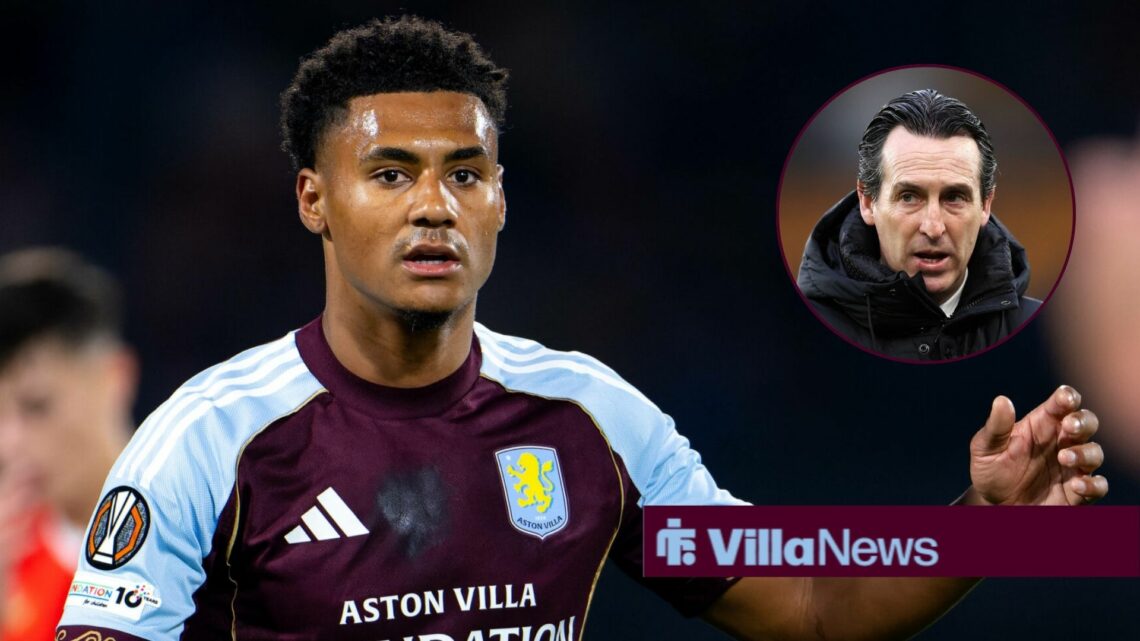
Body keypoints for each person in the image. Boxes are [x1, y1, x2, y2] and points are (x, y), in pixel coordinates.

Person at [57, 17, 1107, 641]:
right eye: (389, 173)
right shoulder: (209, 436)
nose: (435, 206)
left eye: (464, 173)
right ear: (312, 200)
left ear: (502, 200)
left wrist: (989, 519)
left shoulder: (590, 414)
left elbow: (812, 606)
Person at [796, 89, 1041, 361]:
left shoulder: (1045, 338)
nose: (933, 228)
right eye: (909, 197)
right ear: (867, 201)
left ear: (985, 205)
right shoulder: (798, 337)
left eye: (954, 197)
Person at [0, 248, 136, 641]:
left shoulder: (212, 540)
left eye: (36, 406)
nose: (8, 444)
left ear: (115, 378)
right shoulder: (11, 558)